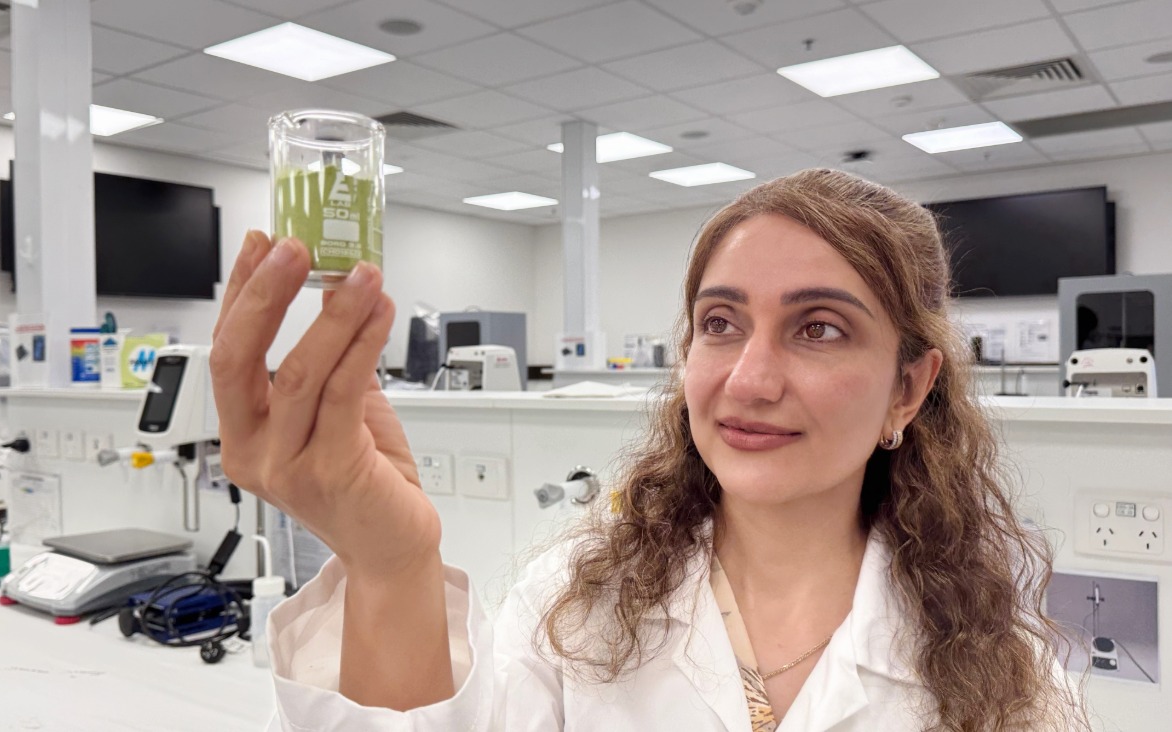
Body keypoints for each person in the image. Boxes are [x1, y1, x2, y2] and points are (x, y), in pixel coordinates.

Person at [210, 169, 1091, 731]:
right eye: (721, 323)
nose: (748, 378)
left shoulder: (1001, 669)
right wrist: (392, 565)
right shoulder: (578, 605)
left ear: (907, 385)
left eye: (818, 328)